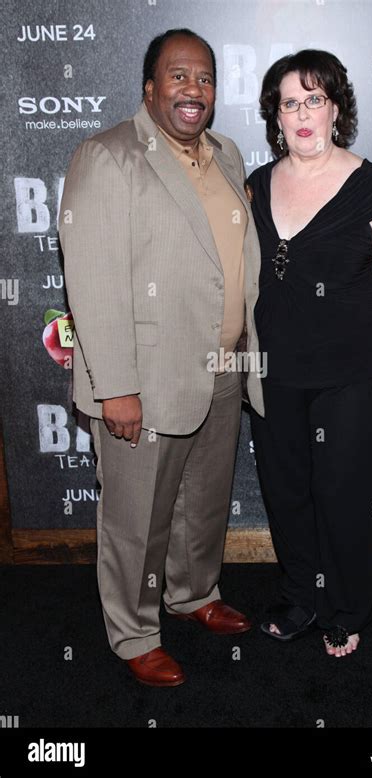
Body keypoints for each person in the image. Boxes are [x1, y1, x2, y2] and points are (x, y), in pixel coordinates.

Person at [59, 28, 264, 686]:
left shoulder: (227, 154)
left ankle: (193, 594)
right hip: (142, 378)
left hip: (221, 369)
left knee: (202, 504)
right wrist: (115, 386)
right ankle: (134, 631)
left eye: (204, 78)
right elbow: (90, 280)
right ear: (150, 88)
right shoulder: (108, 155)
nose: (193, 89)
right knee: (136, 519)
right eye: (179, 76)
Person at [246, 49, 372, 657]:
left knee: (347, 497)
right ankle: (301, 596)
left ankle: (346, 610)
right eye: (289, 102)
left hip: (353, 376)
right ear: (276, 114)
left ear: (336, 108)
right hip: (275, 373)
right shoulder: (255, 185)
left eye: (314, 99)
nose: (302, 113)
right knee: (287, 492)